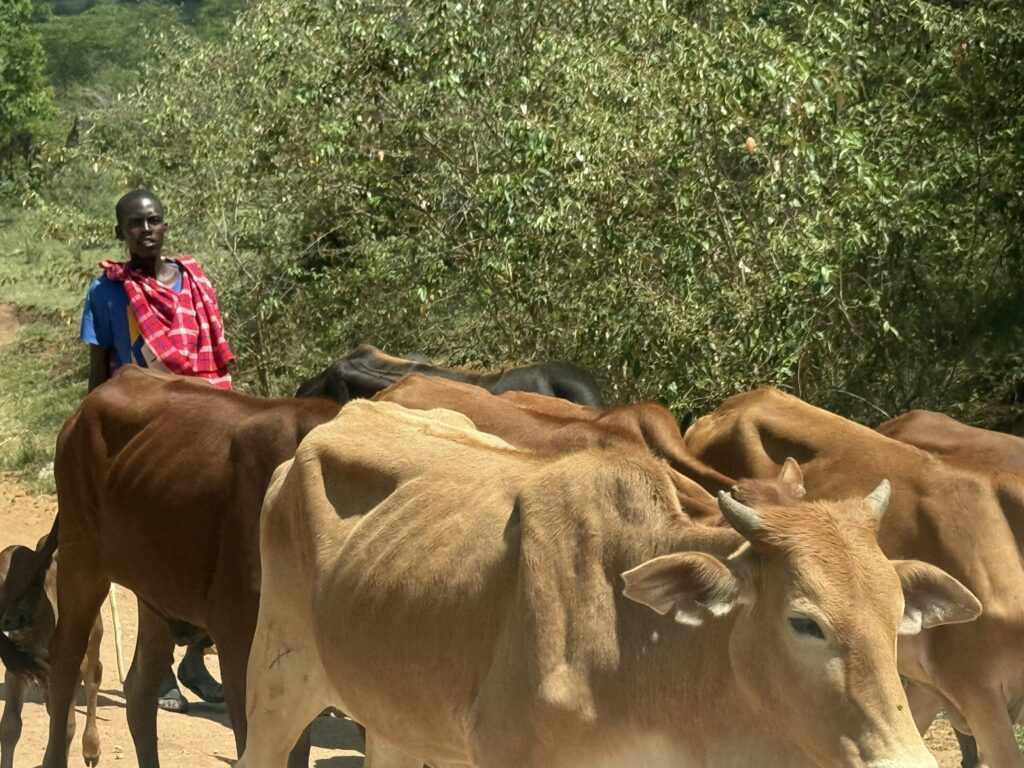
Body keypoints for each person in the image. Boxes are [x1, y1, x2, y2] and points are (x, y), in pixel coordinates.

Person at [80, 188, 232, 712]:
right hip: (144, 432)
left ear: (165, 226)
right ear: (121, 232)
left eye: (154, 221)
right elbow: (100, 377)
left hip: (209, 419)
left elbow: (213, 356)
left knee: (230, 539)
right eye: (135, 223)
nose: (146, 230)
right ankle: (155, 667)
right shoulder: (107, 293)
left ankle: (199, 657)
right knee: (156, 550)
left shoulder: (194, 282)